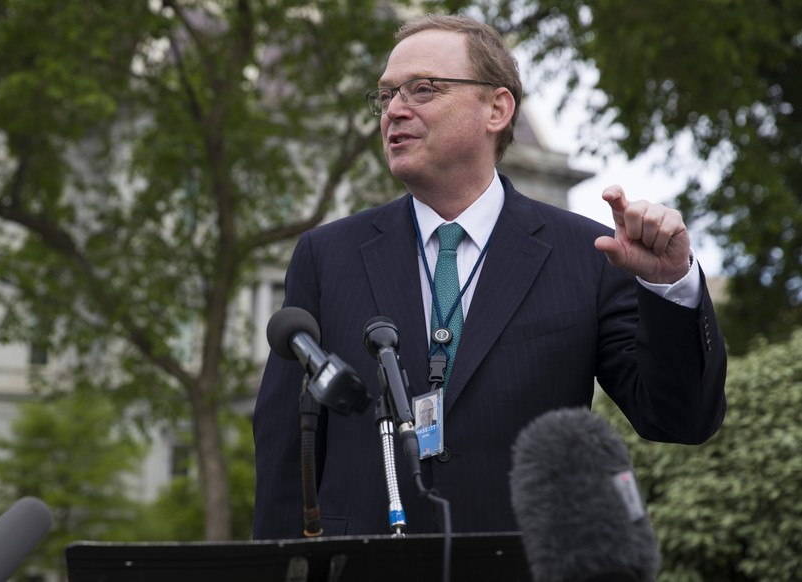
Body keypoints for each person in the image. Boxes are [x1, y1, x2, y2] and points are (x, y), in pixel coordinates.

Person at [252, 13, 726, 539]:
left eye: (423, 89)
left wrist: (669, 286)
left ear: (497, 108)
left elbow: (680, 419)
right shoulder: (326, 255)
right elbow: (286, 447)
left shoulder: (589, 254)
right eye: (385, 96)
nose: (394, 111)